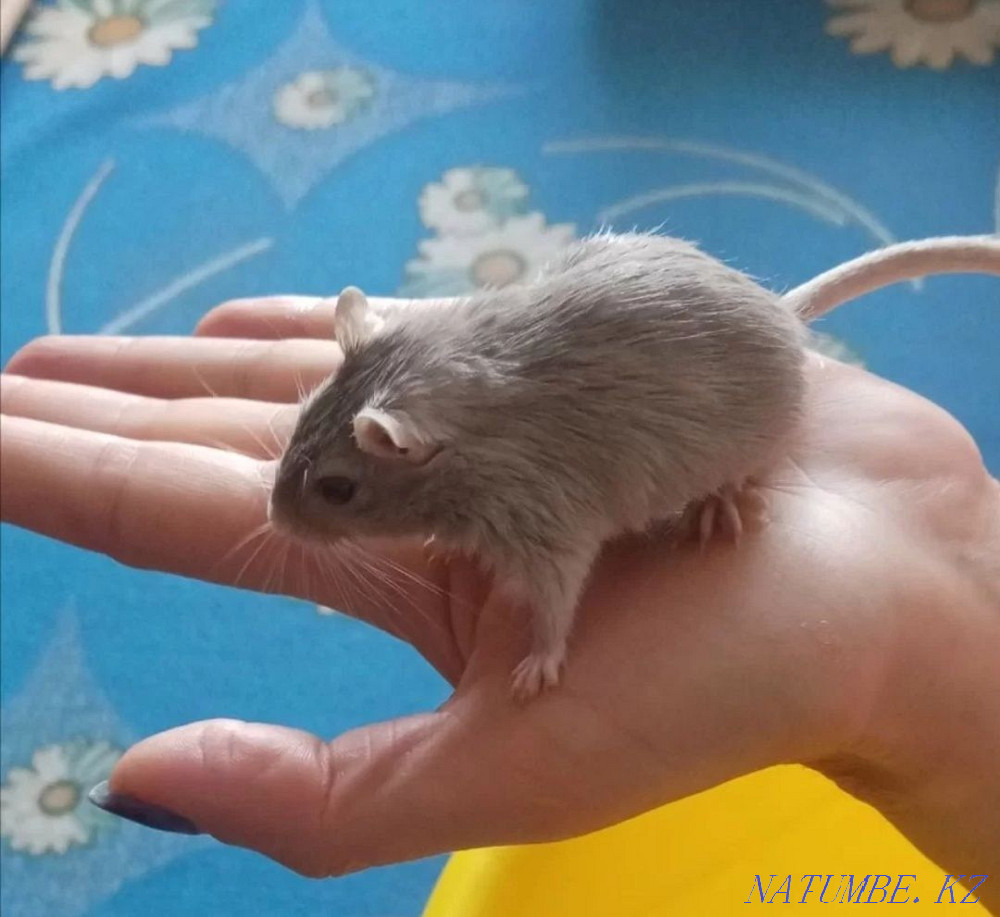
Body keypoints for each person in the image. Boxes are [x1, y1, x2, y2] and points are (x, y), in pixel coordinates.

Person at [1, 295, 997, 906]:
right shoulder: (432, 407)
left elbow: (555, 546)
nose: (300, 514)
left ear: (414, 447)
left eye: (339, 489)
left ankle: (727, 473)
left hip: (739, 389)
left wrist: (547, 646)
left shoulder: (498, 473)